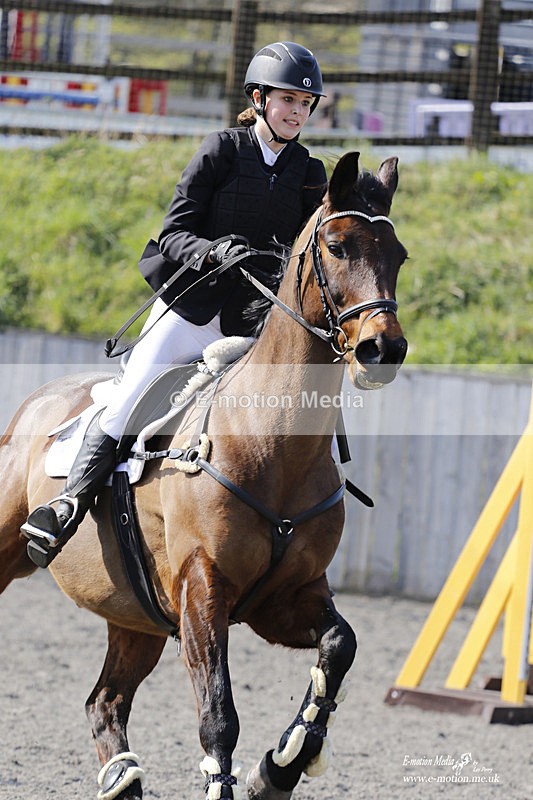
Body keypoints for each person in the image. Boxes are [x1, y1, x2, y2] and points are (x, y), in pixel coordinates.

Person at [22, 41, 327, 568]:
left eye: (306, 105)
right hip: (191, 311)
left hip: (250, 326)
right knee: (129, 397)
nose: (297, 113)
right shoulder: (221, 149)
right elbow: (173, 232)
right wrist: (212, 252)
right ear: (258, 99)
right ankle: (69, 503)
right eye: (288, 101)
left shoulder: (309, 171)